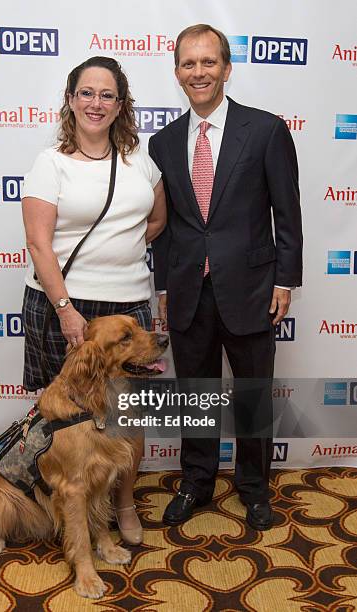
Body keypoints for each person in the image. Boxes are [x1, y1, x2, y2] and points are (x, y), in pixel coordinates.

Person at [149, 25, 302, 530]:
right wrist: (165, 287)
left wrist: (286, 279)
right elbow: (167, 226)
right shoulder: (164, 142)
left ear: (227, 68)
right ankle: (196, 481)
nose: (199, 72)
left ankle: (255, 488)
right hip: (189, 290)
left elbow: (288, 211)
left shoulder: (265, 130)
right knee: (195, 393)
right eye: (189, 64)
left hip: (254, 289)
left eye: (208, 62)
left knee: (253, 393)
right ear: (177, 73)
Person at [21, 56, 166, 545]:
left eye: (107, 94)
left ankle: (121, 506)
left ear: (121, 104)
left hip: (128, 307)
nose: (96, 103)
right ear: (70, 99)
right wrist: (65, 309)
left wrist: (117, 254)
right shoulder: (51, 162)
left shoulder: (140, 160)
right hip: (63, 305)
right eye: (86, 92)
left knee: (128, 420)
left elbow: (156, 222)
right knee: (65, 421)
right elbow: (39, 242)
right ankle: (59, 502)